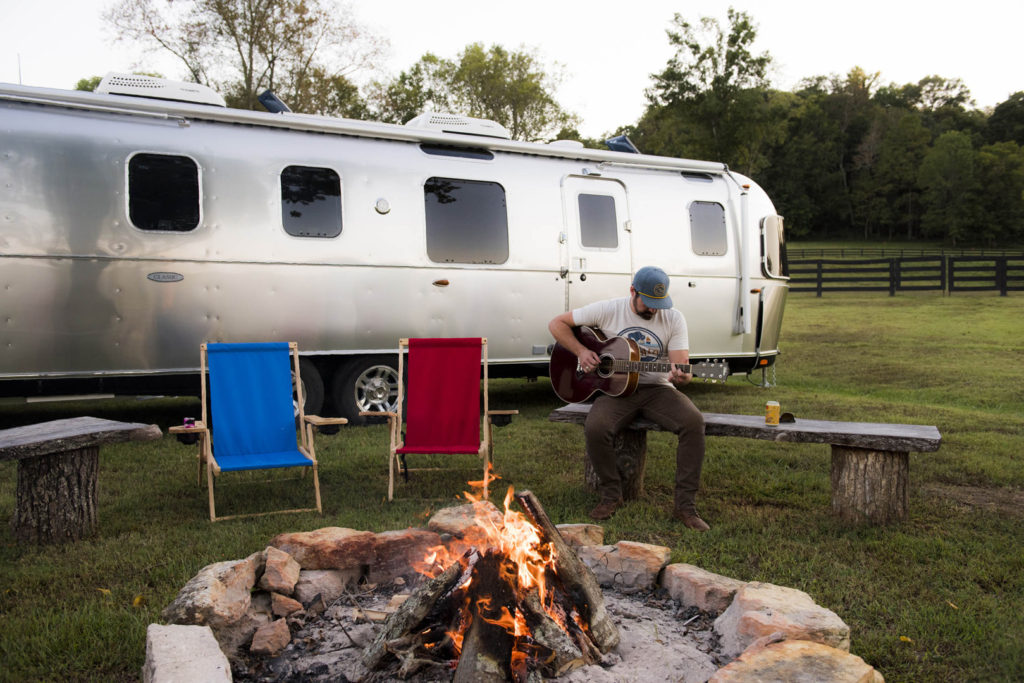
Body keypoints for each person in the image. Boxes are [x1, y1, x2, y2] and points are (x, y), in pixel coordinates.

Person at [548, 266, 709, 531]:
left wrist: (683, 376)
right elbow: (556, 323)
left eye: (660, 303)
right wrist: (581, 352)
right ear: (632, 291)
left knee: (693, 422)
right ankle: (612, 495)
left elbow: (682, 366)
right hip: (616, 391)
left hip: (657, 389)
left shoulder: (674, 319)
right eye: (649, 302)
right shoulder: (608, 309)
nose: (655, 309)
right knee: (596, 427)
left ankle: (685, 507)